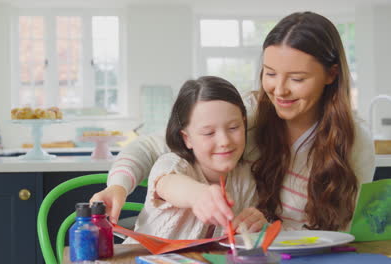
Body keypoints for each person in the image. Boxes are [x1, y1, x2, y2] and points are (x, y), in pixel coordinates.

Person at [90, 11, 376, 231]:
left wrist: (270, 228)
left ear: (331, 75)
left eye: (297, 79)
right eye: (270, 73)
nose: (279, 89)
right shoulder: (243, 116)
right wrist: (117, 186)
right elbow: (152, 150)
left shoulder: (355, 142)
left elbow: (345, 231)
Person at [122, 76, 266, 242]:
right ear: (187, 138)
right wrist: (198, 195)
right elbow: (167, 184)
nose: (225, 141)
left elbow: (239, 241)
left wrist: (255, 228)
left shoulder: (245, 178)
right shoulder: (173, 163)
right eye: (209, 133)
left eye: (234, 128)